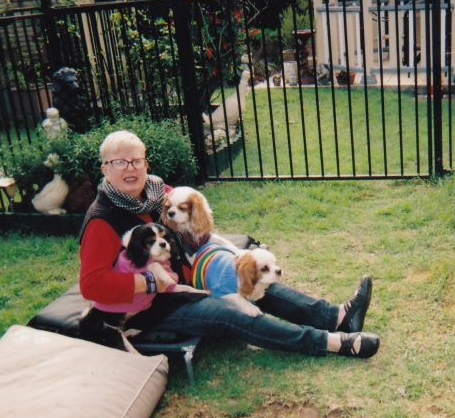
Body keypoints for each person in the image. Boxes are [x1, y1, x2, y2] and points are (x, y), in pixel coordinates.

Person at [79, 130, 380, 358]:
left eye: (136, 160)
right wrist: (149, 281)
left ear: (146, 163)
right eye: (119, 162)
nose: (130, 169)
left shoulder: (158, 192)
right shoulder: (102, 220)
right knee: (235, 313)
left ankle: (337, 317)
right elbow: (92, 285)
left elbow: (192, 211)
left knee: (249, 272)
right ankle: (332, 343)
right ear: (105, 168)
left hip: (192, 273)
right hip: (156, 305)